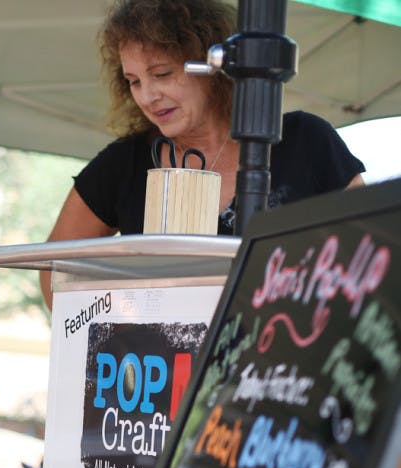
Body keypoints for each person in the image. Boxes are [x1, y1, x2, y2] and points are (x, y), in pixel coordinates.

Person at [41, 0, 365, 308]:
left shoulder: (306, 140)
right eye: (133, 81)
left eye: (162, 74)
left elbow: (369, 254)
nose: (147, 96)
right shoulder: (124, 163)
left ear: (213, 65)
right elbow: (52, 272)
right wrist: (114, 335)